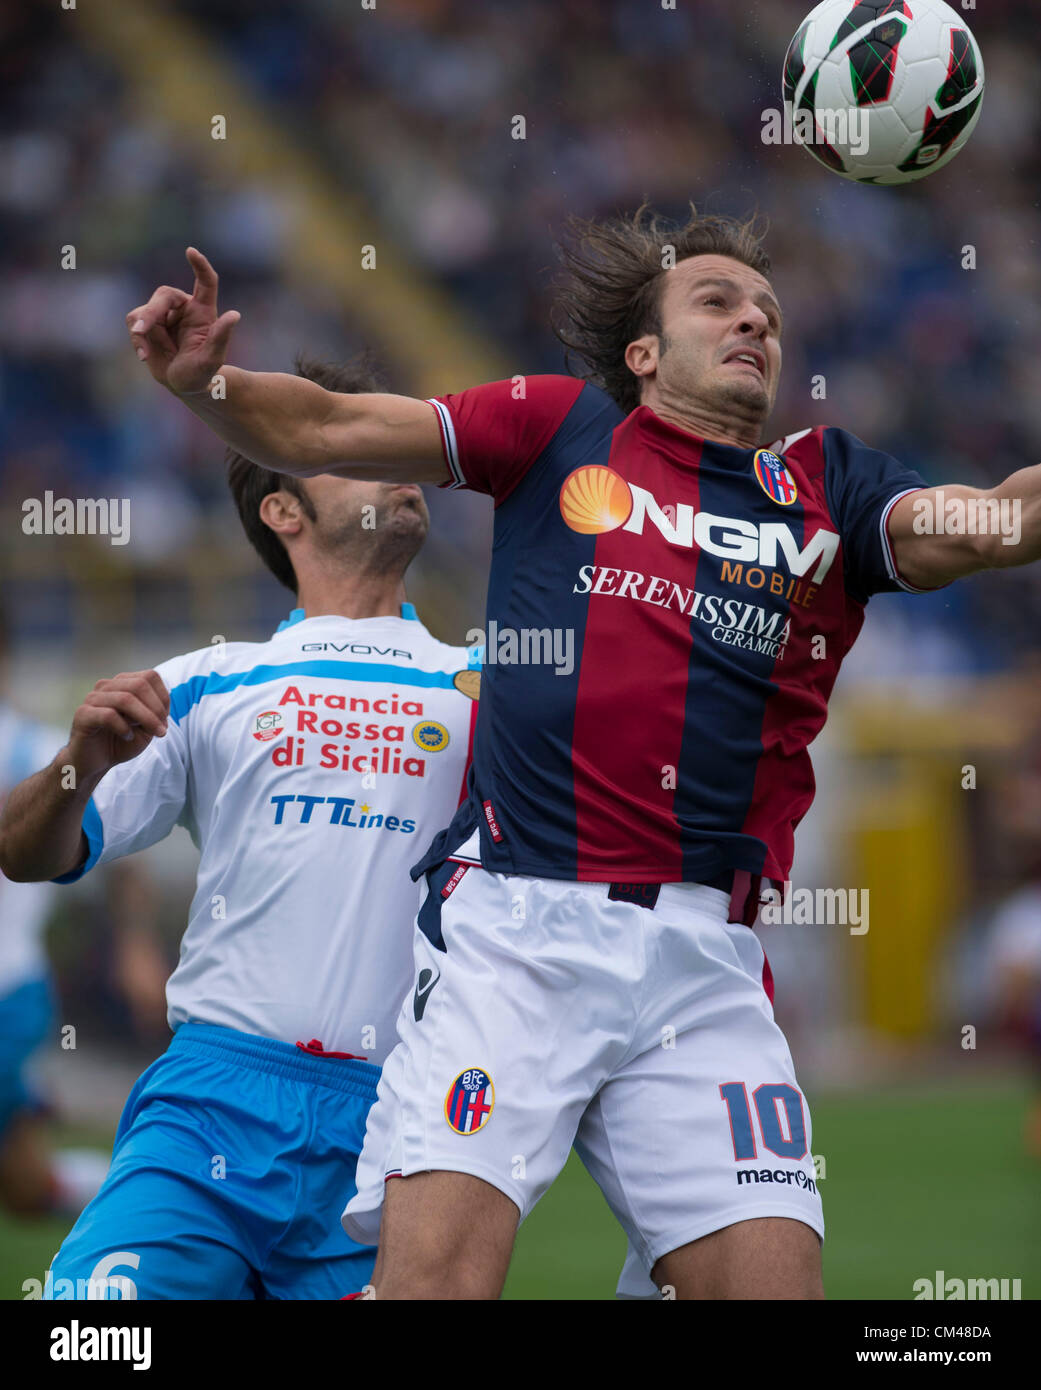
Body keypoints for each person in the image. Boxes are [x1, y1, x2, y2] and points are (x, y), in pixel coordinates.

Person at [120, 210, 1040, 1300]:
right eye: (718, 301)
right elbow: (323, 428)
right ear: (643, 353)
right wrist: (205, 387)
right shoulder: (557, 428)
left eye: (770, 315)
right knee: (436, 1287)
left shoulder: (828, 488)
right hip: (519, 933)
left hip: (707, 962)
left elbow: (990, 520)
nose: (754, 319)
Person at [0, 357, 479, 1299]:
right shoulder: (206, 681)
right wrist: (77, 763)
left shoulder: (488, 691)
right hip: (212, 1102)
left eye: (398, 442)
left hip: (402, 1130)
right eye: (357, 446)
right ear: (282, 510)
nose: (400, 466)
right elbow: (22, 853)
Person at [0, 608, 167, 1221]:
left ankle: (167, 1209)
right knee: (25, 1192)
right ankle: (159, 1205)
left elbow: (123, 860)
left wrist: (135, 945)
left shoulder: (36, 749)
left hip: (6, 987)